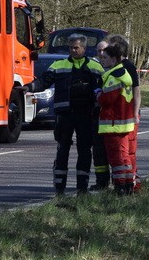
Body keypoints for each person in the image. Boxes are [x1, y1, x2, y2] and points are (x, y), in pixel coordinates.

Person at [23, 33, 105, 197]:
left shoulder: (96, 68)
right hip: (65, 116)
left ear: (84, 48)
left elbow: (105, 88)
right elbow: (44, 81)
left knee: (84, 152)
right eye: (71, 47)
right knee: (62, 151)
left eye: (76, 47)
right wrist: (29, 87)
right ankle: (59, 189)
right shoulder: (59, 64)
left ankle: (82, 189)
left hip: (86, 116)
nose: (73, 50)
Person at [96, 43, 138, 195]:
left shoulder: (113, 76)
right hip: (123, 124)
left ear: (114, 60)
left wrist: (98, 93)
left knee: (117, 158)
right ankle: (128, 185)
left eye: (105, 57)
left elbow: (106, 100)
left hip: (114, 124)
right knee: (124, 156)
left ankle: (121, 187)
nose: (102, 60)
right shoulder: (123, 74)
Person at [104, 34, 142, 191]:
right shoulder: (118, 68)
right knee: (125, 153)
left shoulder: (125, 68)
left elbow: (136, 92)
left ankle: (128, 184)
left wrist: (135, 114)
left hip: (123, 117)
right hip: (124, 116)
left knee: (125, 153)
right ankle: (130, 182)